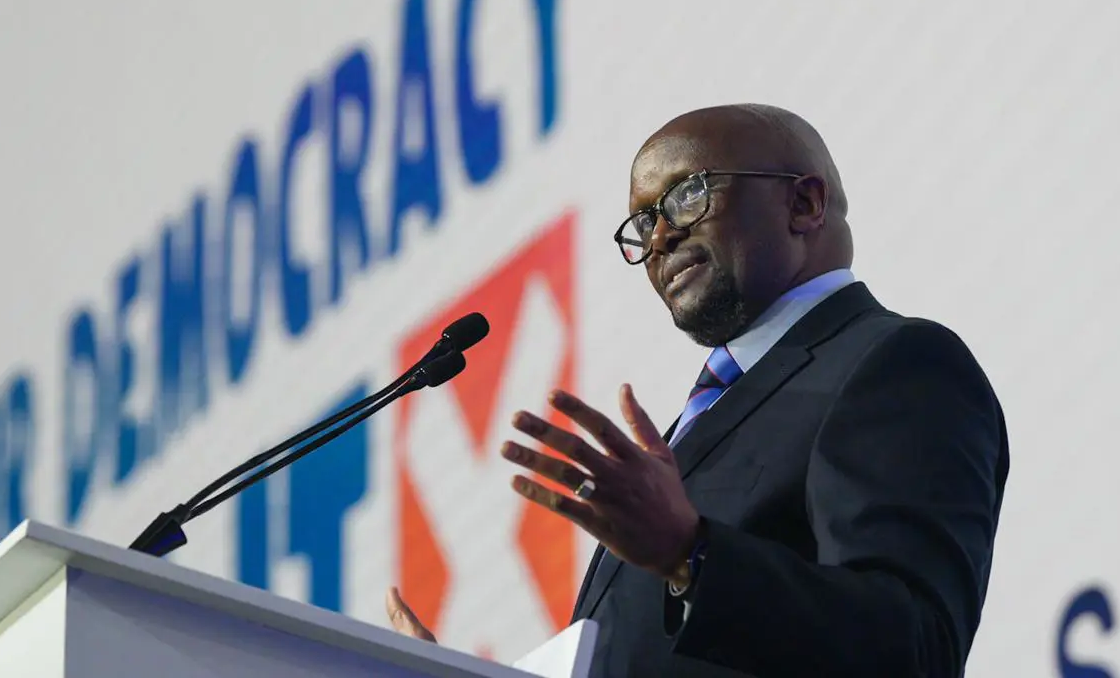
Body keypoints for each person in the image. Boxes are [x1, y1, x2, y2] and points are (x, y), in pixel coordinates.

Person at [386, 103, 1009, 677]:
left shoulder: (893, 363)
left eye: (687, 197)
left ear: (805, 204)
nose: (659, 240)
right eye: (643, 222)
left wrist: (692, 554)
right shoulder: (699, 420)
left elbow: (915, 646)